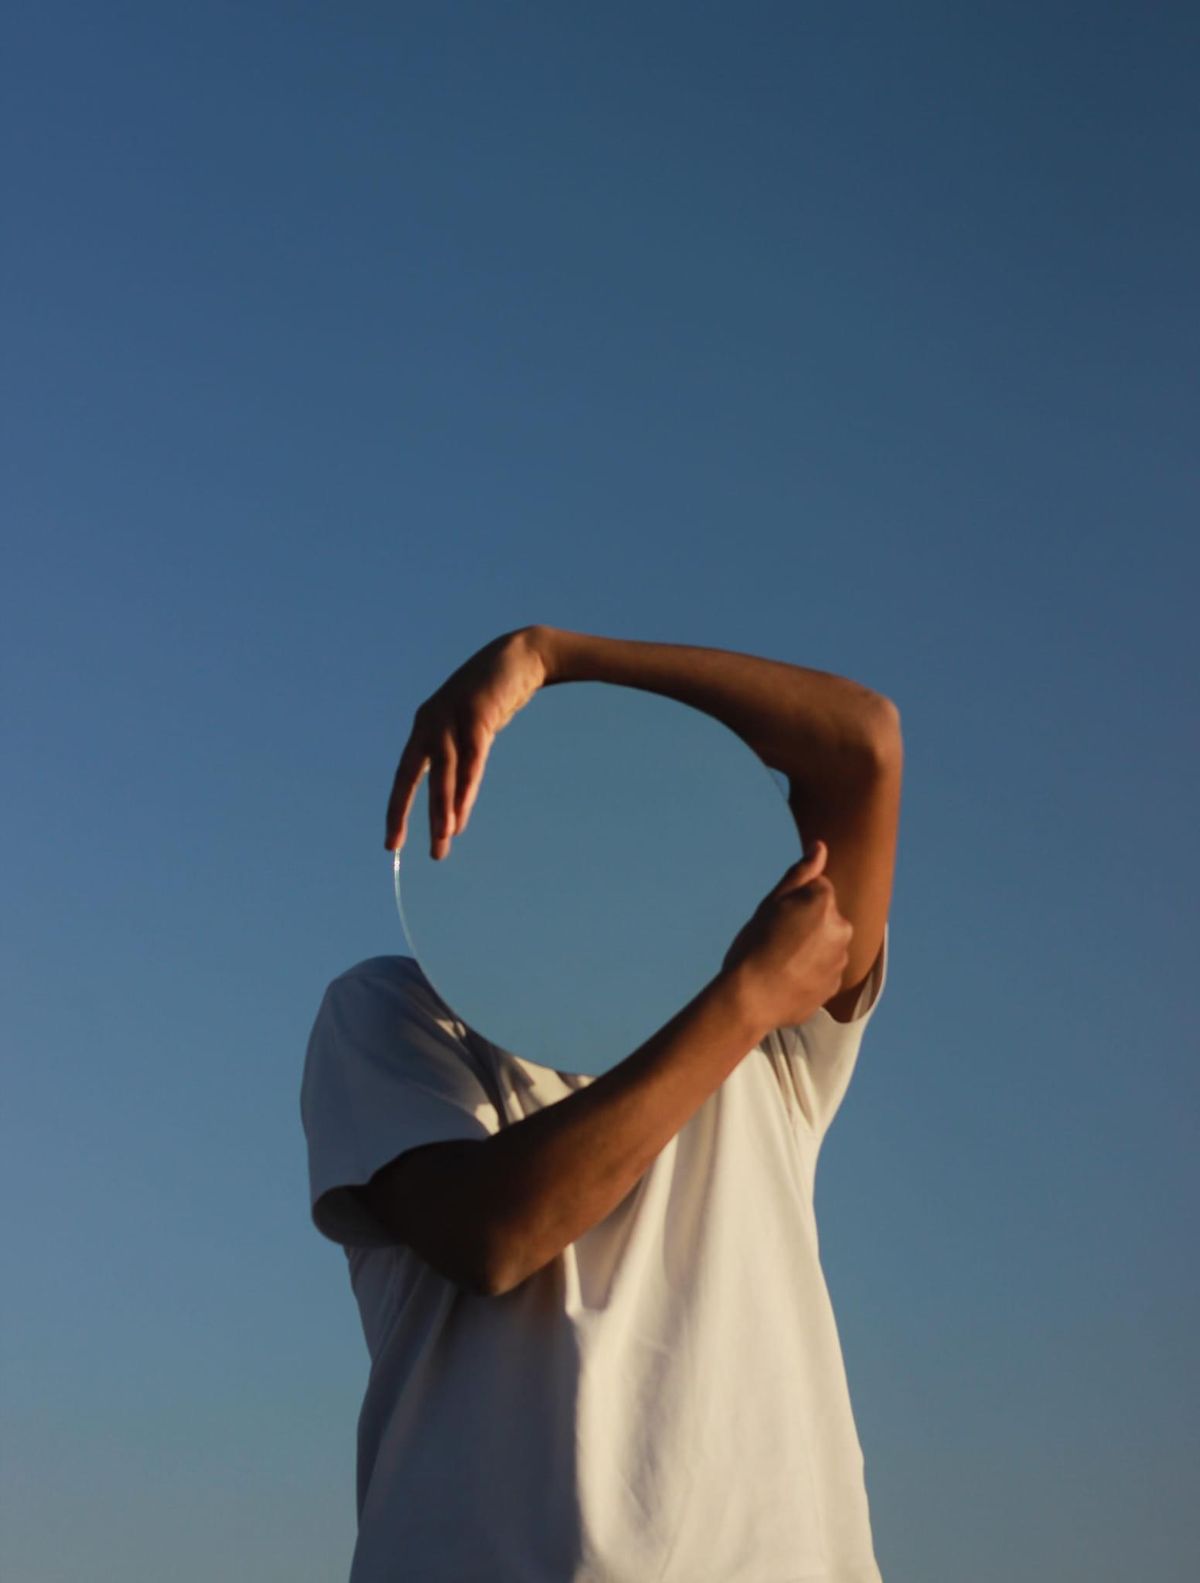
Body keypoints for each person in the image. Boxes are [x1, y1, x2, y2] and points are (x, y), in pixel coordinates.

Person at [301, 624, 903, 1583]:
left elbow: (863, 742)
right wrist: (744, 997)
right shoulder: (391, 1013)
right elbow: (495, 1233)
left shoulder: (772, 1053)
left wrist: (553, 657)